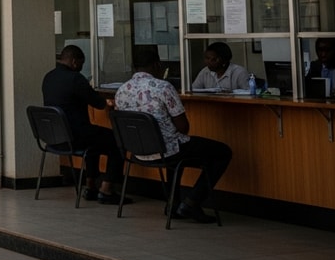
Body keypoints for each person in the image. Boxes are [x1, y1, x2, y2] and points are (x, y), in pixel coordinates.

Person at [115, 46, 233, 223]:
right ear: (157, 65)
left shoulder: (122, 90)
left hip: (137, 152)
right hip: (166, 150)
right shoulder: (163, 87)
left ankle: (173, 203)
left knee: (176, 151)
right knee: (222, 152)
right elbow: (183, 127)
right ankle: (192, 202)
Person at [41, 45, 130, 204]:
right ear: (74, 62)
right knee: (118, 139)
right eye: (81, 65)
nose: (81, 69)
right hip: (75, 136)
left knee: (93, 139)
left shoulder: (48, 77)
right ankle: (107, 189)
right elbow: (98, 103)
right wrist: (108, 103)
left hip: (55, 137)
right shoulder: (75, 79)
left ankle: (90, 187)